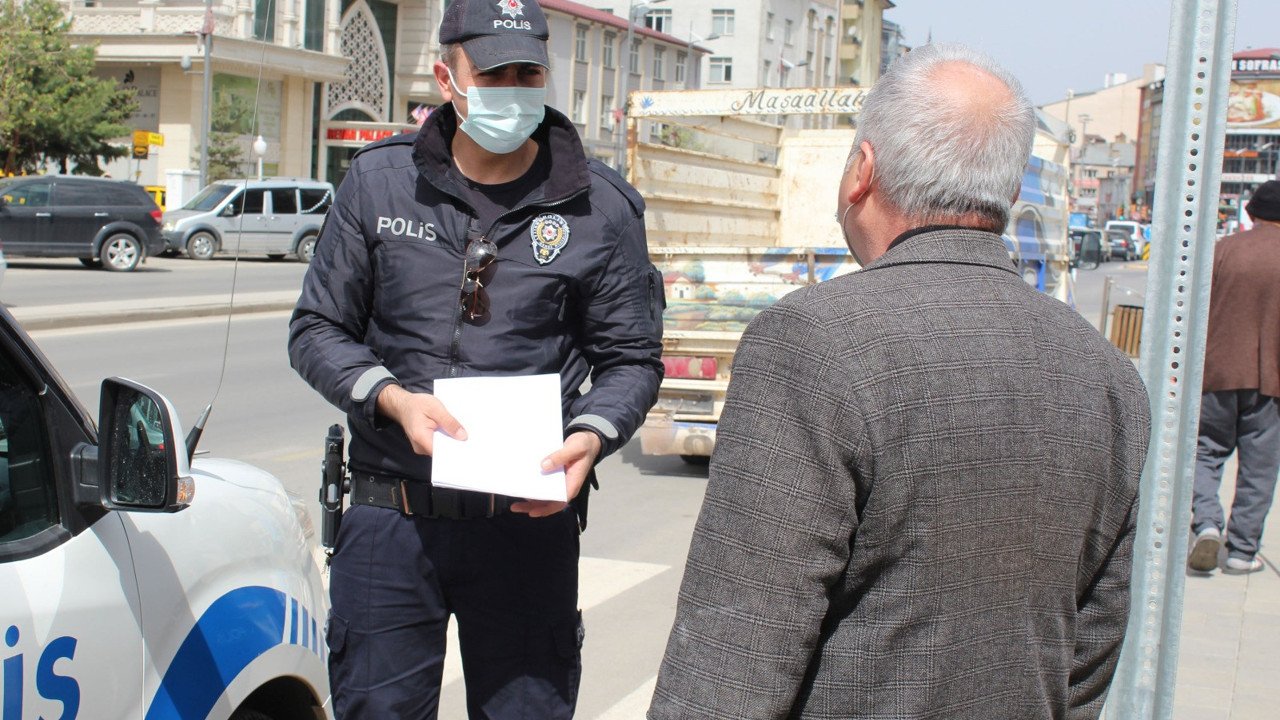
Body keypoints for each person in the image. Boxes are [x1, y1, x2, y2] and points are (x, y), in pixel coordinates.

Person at [648, 43, 1151, 720]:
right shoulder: (1108, 374)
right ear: (1008, 194)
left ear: (862, 171)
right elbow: (1091, 647)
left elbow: (734, 651)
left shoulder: (812, 341)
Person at [288, 0, 664, 717]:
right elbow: (316, 329)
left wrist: (591, 435)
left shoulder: (601, 207)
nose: (513, 91)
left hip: (525, 527)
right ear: (447, 78)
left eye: (528, 73)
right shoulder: (379, 181)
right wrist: (393, 399)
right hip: (391, 519)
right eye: (493, 75)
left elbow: (632, 360)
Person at [1187, 180, 1280, 575]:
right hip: (1271, 380)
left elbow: (1192, 310)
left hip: (1217, 372)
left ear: (1250, 213)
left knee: (1205, 451)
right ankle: (1242, 551)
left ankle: (1207, 523)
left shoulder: (1223, 250)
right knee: (1260, 467)